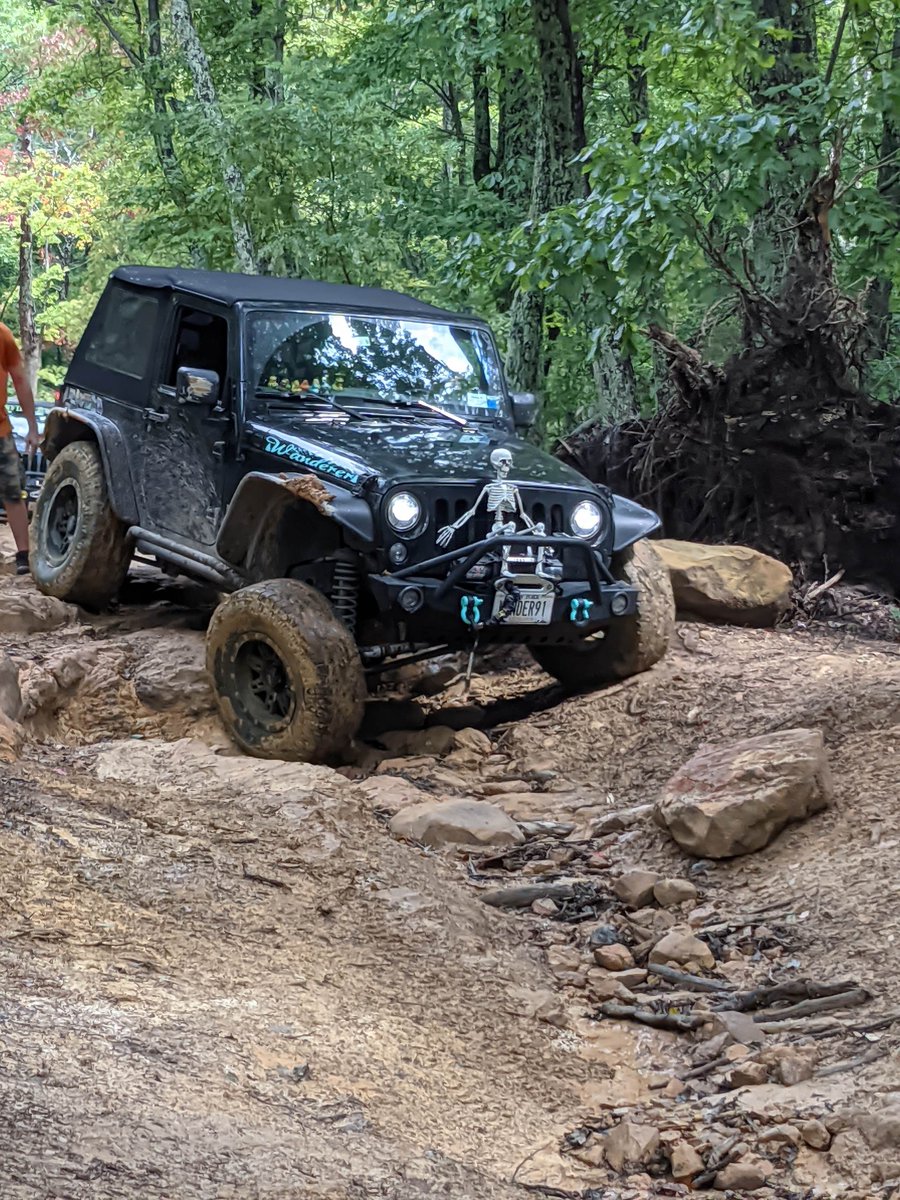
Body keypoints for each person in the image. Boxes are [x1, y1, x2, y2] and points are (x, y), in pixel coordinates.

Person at [0, 323, 41, 576]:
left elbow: (20, 379)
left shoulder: (2, 335)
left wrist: (33, 427)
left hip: (0, 430)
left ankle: (23, 556)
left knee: (14, 491)